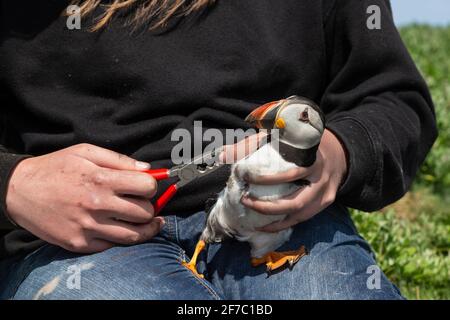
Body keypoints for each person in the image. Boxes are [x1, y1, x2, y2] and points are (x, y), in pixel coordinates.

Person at [0, 0, 437, 299]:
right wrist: (14, 183)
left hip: (279, 224)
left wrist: (338, 153)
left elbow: (393, 97)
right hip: (76, 246)